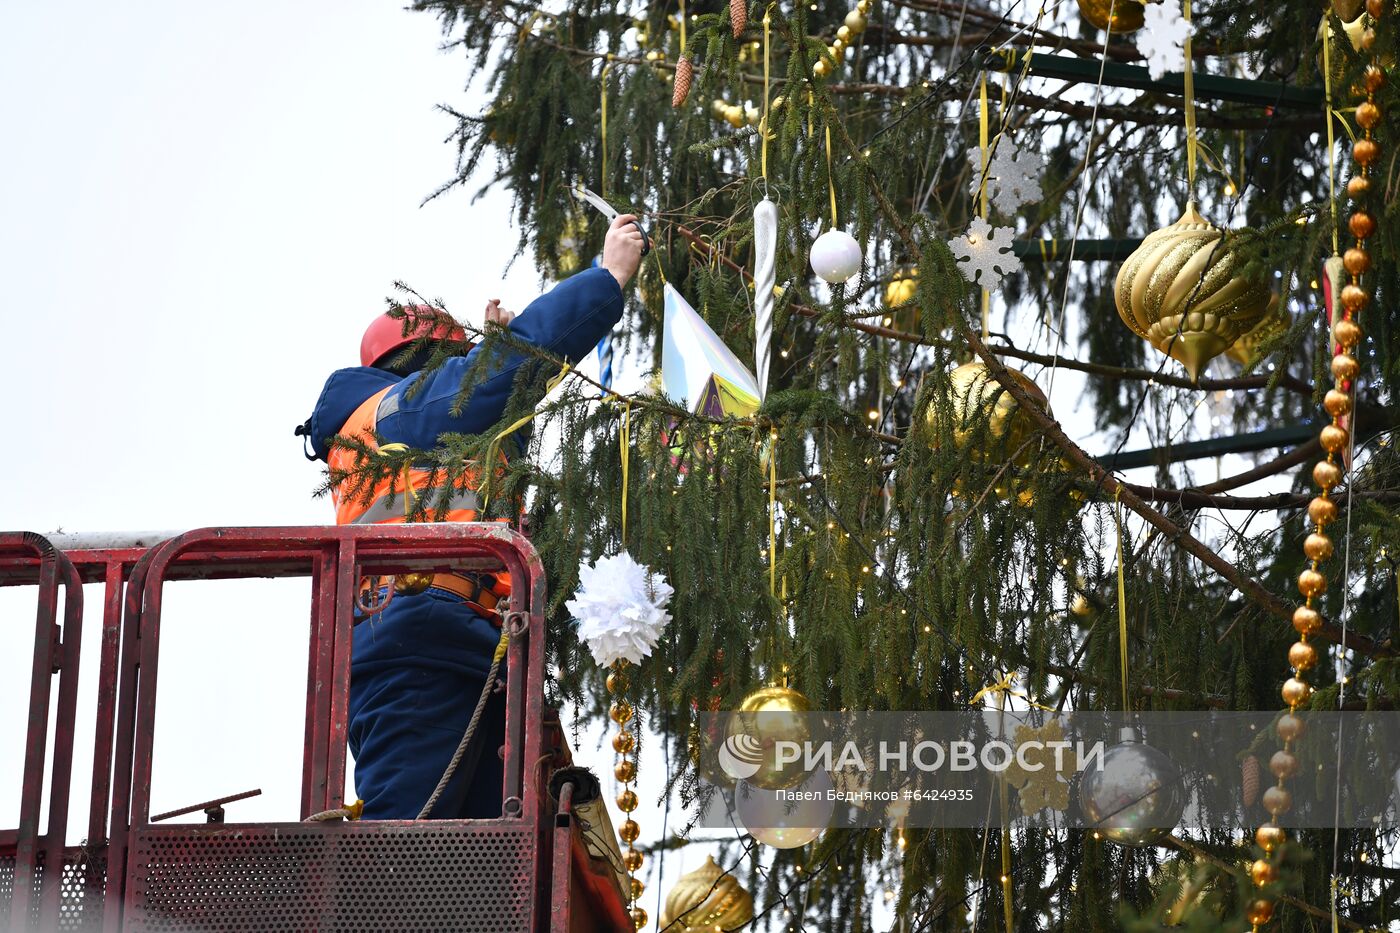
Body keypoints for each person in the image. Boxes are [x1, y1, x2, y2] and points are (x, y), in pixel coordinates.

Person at [299, 214, 644, 819]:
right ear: (423, 363)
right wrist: (606, 278)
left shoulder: (418, 424)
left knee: (474, 859)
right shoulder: (384, 412)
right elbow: (478, 391)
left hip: (462, 643)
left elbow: (487, 436)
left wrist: (492, 355)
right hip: (418, 642)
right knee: (402, 852)